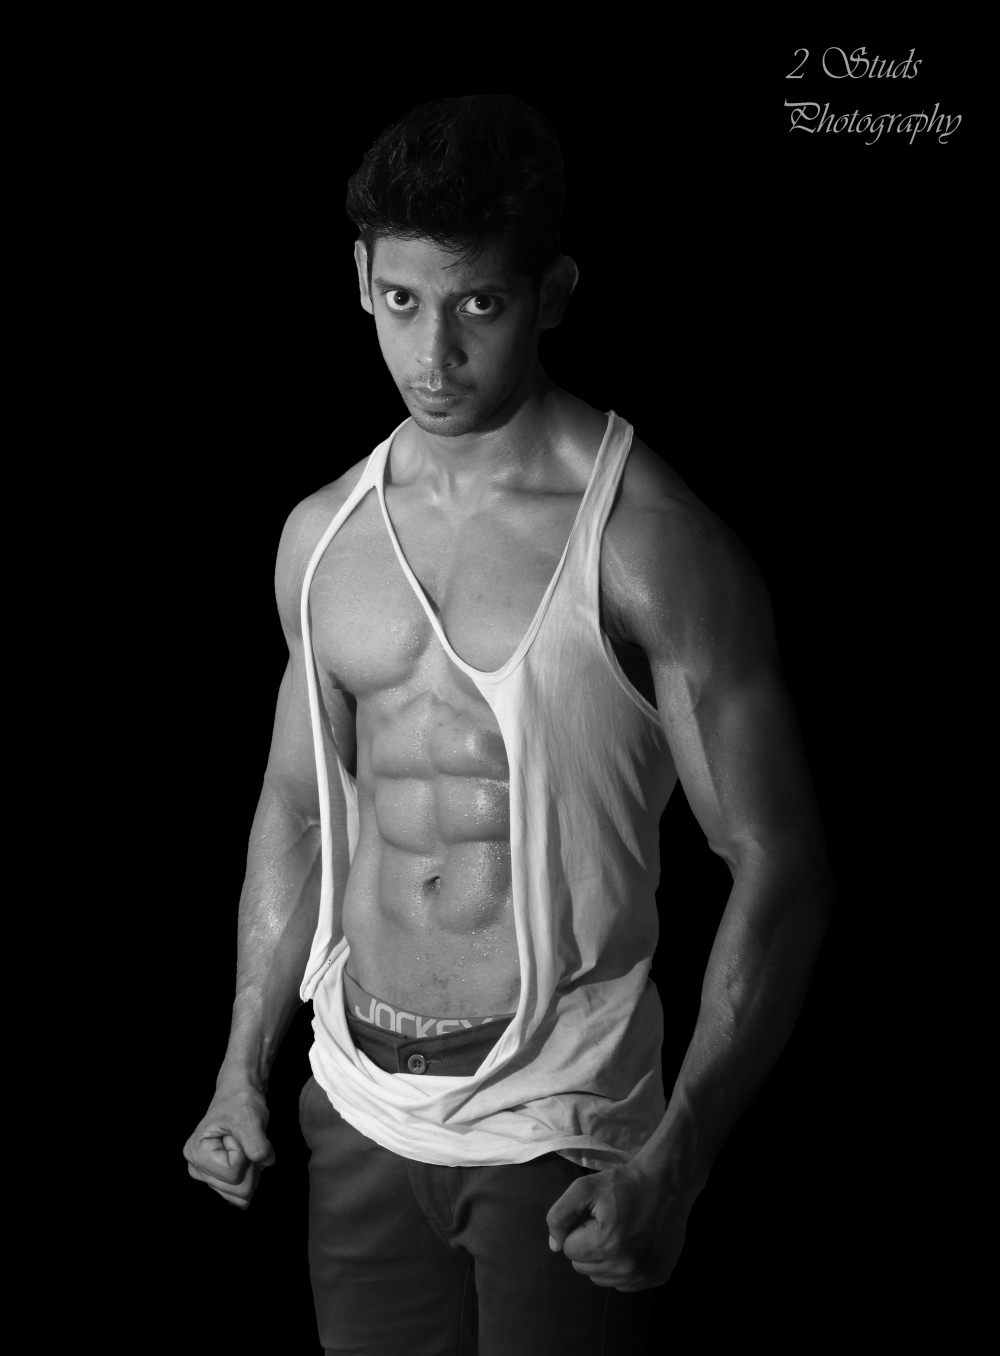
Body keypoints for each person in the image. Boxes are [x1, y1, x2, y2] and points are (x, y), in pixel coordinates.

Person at [184, 94, 835, 1355]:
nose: (432, 354)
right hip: (357, 1107)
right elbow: (300, 808)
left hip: (562, 1125)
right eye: (400, 301)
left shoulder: (647, 545)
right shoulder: (322, 538)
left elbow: (780, 863)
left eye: (477, 303)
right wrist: (236, 1071)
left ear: (553, 293)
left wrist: (678, 1157)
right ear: (361, 282)